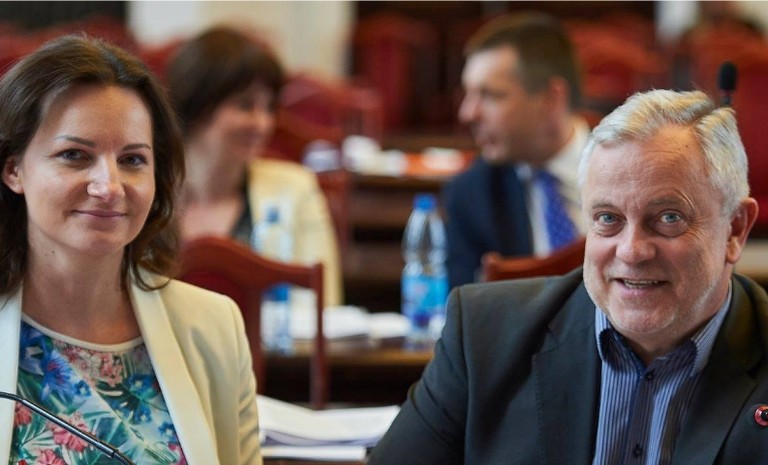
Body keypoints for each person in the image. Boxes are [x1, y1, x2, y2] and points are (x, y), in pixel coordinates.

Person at [368, 89, 767, 464]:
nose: (631, 251)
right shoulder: (481, 337)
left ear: (735, 229)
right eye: (608, 218)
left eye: (668, 218)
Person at [0, 35, 260, 464]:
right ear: (13, 169)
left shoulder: (213, 327)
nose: (109, 187)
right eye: (74, 155)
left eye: (133, 160)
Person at [166, 26, 342, 307]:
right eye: (245, 105)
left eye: (269, 107)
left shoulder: (295, 189)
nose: (262, 124)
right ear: (196, 105)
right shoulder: (146, 192)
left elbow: (322, 305)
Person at [442, 12, 590, 288]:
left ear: (550, 98)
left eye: (490, 95)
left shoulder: (630, 167)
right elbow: (465, 308)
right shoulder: (470, 195)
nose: (467, 113)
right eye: (468, 94)